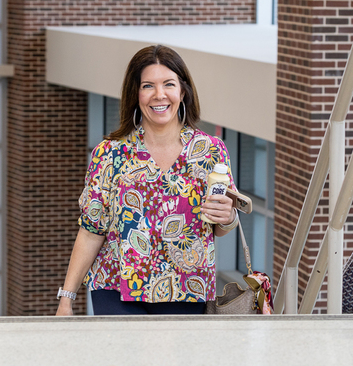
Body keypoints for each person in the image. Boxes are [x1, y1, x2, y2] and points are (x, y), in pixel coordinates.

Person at [55, 45, 239, 316]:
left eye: (168, 84)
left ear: (183, 91)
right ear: (136, 94)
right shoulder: (110, 153)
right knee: (122, 360)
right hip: (115, 288)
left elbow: (220, 225)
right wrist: (66, 298)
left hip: (187, 290)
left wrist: (228, 217)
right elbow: (91, 230)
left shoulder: (210, 151)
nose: (159, 95)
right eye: (148, 86)